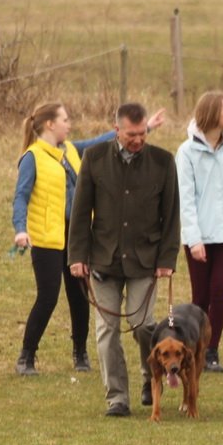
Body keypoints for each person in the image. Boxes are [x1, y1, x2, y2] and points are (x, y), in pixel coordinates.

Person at [11, 102, 164, 376]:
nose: (69, 124)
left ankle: (80, 354)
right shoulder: (32, 157)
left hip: (76, 236)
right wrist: (20, 229)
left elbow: (103, 140)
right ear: (50, 124)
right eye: (65, 119)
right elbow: (21, 195)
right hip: (46, 238)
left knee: (79, 296)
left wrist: (145, 128)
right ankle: (27, 356)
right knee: (47, 297)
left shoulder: (70, 149)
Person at [68, 103, 180, 417]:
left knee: (144, 325)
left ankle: (151, 376)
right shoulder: (94, 159)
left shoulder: (163, 162)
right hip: (103, 261)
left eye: (142, 133)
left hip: (146, 260)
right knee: (107, 331)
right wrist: (77, 255)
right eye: (131, 134)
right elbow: (80, 212)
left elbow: (171, 216)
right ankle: (117, 398)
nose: (138, 139)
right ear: (117, 130)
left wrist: (167, 258)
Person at [175, 91, 223, 374]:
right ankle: (192, 348)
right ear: (212, 114)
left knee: (220, 290)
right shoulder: (186, 153)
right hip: (200, 238)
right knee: (201, 296)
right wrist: (194, 239)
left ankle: (211, 351)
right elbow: (186, 199)